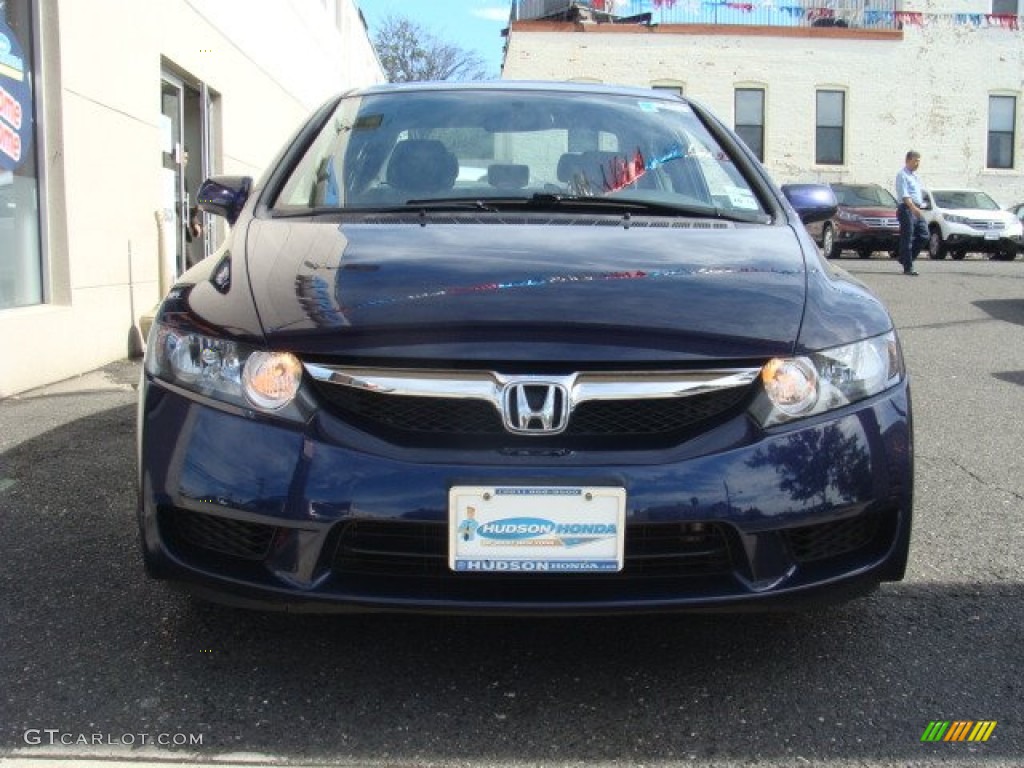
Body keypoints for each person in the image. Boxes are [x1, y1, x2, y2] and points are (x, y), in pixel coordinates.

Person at [895, 150, 928, 276]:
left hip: (916, 208)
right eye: (915, 161)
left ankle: (904, 258)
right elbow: (904, 195)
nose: (917, 164)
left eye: (919, 161)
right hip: (907, 209)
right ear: (908, 160)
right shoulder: (902, 175)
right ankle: (908, 267)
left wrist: (920, 207)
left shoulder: (915, 177)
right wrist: (913, 208)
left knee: (924, 235)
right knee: (907, 237)